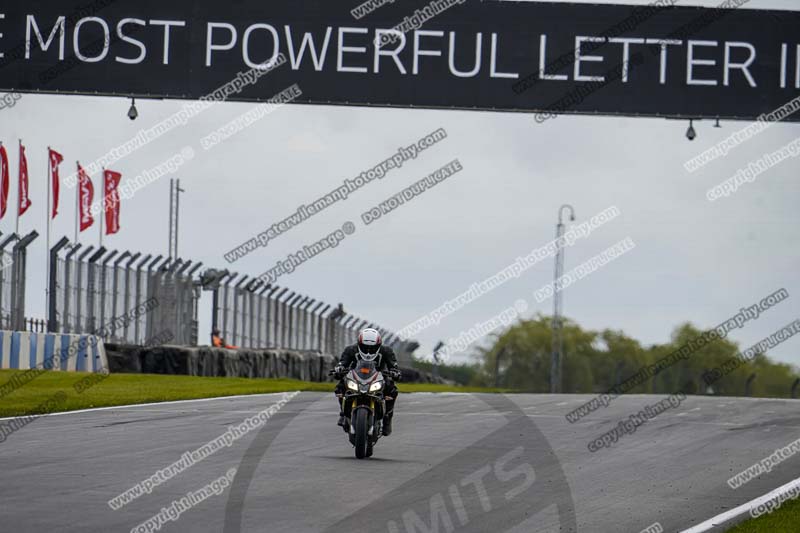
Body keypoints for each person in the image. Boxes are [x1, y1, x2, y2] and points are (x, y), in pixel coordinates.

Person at [333, 328, 400, 436]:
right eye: (365, 347)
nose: (368, 351)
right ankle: (343, 413)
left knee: (392, 389)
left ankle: (387, 417)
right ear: (359, 344)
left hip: (379, 376)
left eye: (372, 348)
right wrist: (339, 369)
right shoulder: (350, 349)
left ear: (378, 345)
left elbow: (393, 366)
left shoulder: (386, 351)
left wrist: (395, 372)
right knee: (340, 386)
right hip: (355, 376)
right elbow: (343, 363)